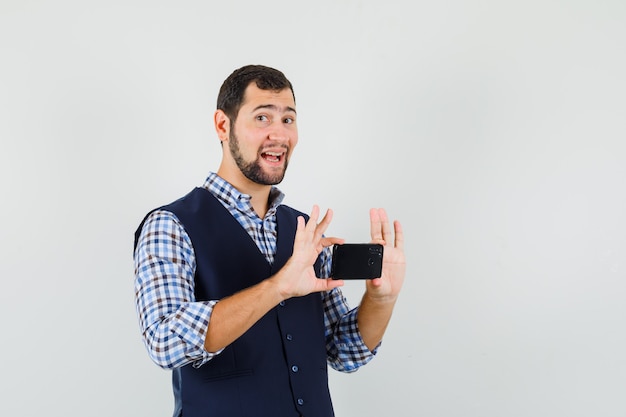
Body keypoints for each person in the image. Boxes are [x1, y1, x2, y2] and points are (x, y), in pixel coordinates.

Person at [133, 64, 406, 417]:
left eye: (288, 120)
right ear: (222, 125)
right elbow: (164, 342)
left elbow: (344, 351)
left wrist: (381, 299)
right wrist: (277, 287)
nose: (279, 134)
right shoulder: (170, 226)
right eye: (262, 118)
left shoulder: (305, 230)